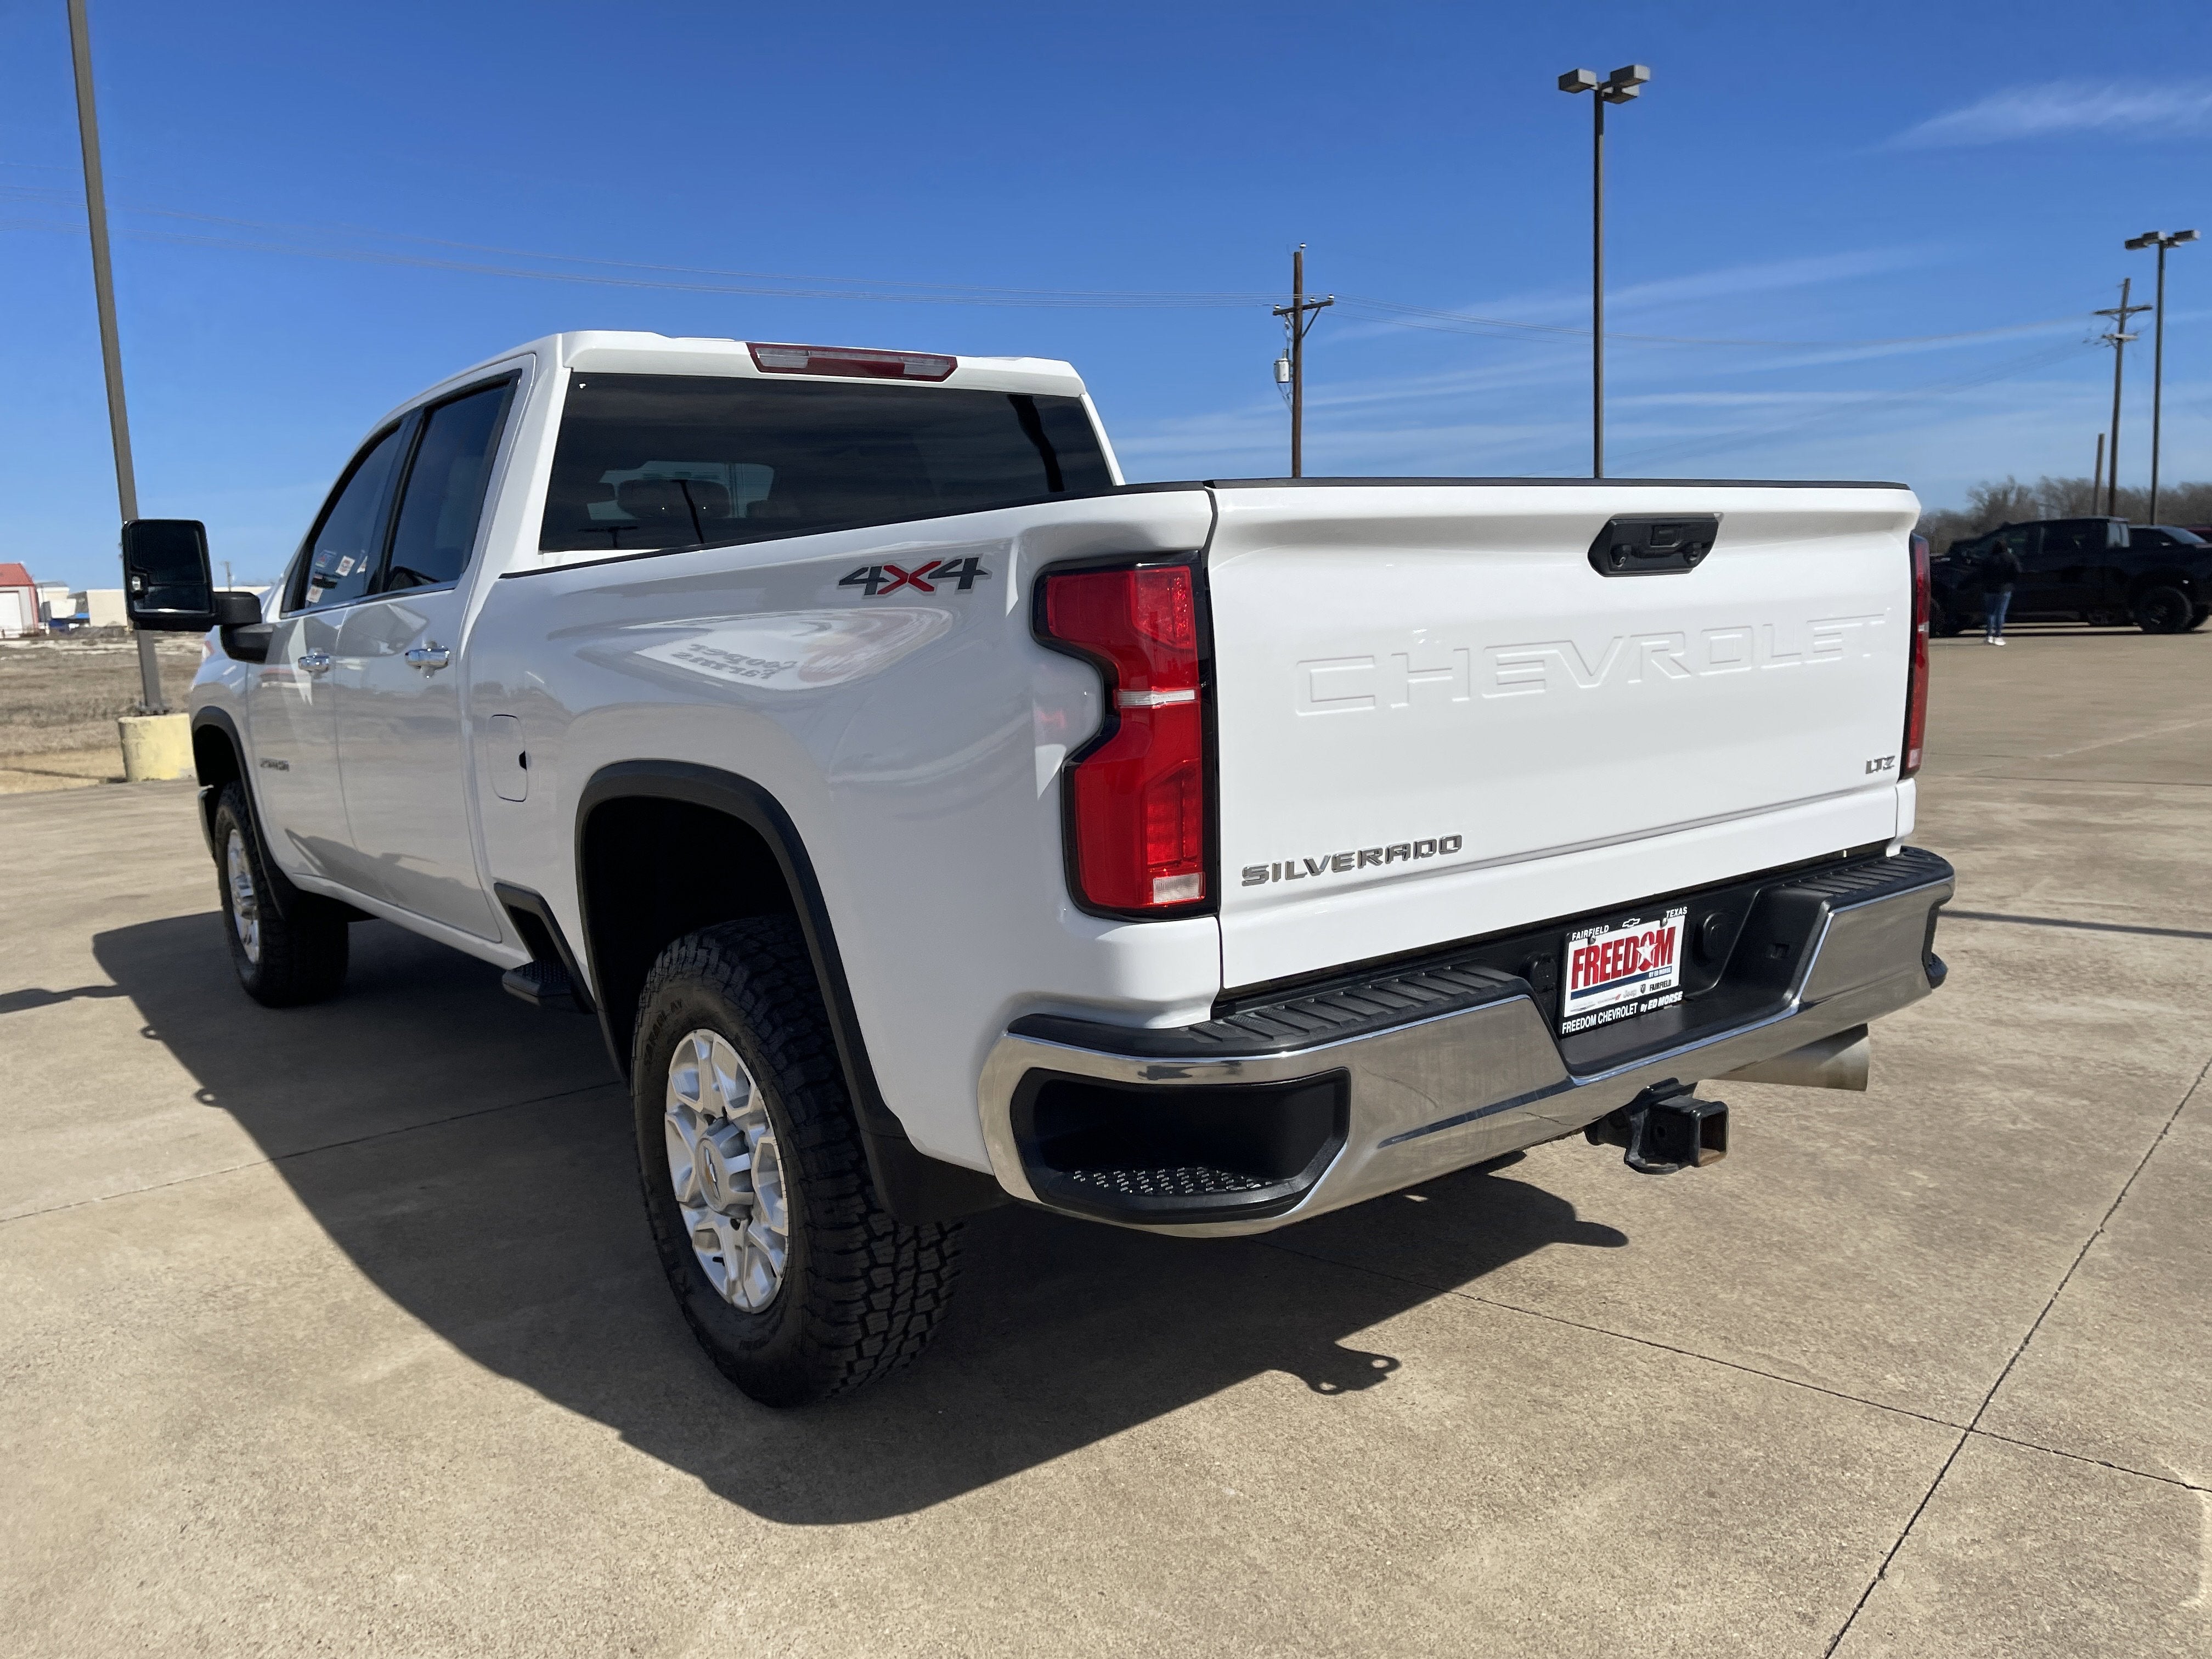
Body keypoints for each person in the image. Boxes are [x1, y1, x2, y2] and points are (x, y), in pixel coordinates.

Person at [1979, 534, 2021, 644]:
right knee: (2000, 613)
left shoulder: (1989, 559)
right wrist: (2011, 582)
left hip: (1989, 589)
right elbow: (2018, 571)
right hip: (2005, 589)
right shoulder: (2011, 558)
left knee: (1990, 613)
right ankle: (1998, 635)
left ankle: (1989, 635)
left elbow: (1981, 573)